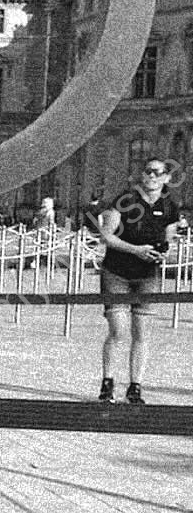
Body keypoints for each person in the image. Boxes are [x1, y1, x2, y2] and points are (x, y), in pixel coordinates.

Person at [97, 157, 185, 404]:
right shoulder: (126, 200)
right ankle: (108, 382)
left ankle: (135, 386)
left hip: (147, 275)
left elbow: (168, 238)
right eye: (148, 172)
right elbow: (107, 236)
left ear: (167, 177)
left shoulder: (170, 206)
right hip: (116, 272)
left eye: (158, 173)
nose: (153, 177)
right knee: (118, 331)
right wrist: (136, 249)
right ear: (143, 175)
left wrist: (163, 251)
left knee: (142, 334)